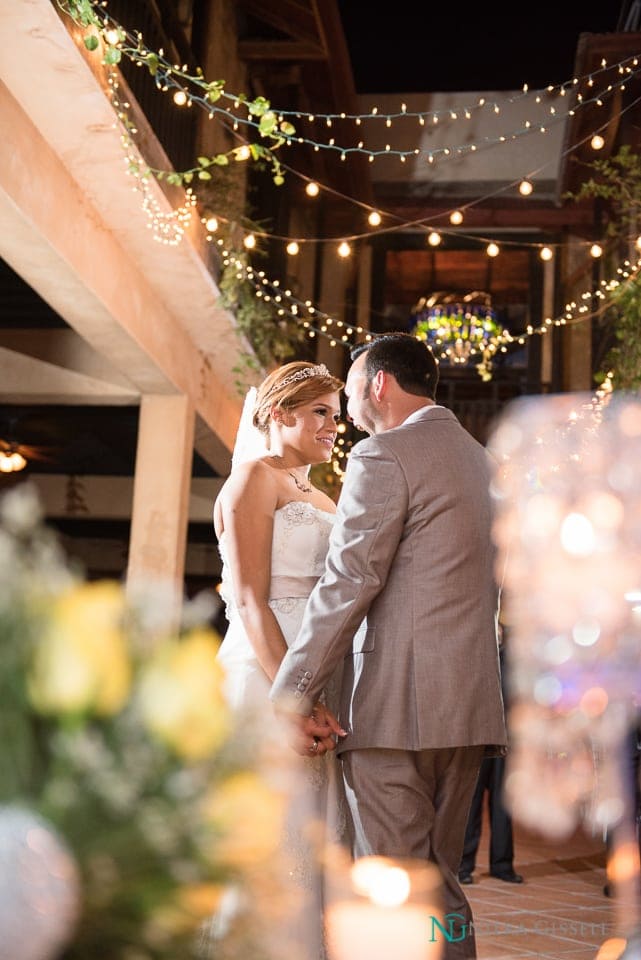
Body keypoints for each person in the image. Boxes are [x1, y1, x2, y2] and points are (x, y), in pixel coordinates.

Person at [270, 333, 507, 960]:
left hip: (394, 705)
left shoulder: (385, 455)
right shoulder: (484, 461)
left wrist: (289, 695)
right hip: (468, 704)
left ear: (379, 384)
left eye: (348, 392)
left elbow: (350, 581)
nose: (346, 410)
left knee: (394, 887)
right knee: (441, 882)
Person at [211, 360, 347, 960]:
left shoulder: (322, 493)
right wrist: (292, 697)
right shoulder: (251, 480)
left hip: (317, 671)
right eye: (321, 412)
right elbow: (247, 598)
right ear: (278, 412)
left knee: (306, 833)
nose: (334, 427)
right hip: (267, 673)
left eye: (338, 416)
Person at [458, 641, 524, 885]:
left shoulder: (514, 657)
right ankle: (463, 865)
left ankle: (502, 864)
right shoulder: (473, 653)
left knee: (504, 803)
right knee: (470, 803)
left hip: (507, 738)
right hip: (477, 737)